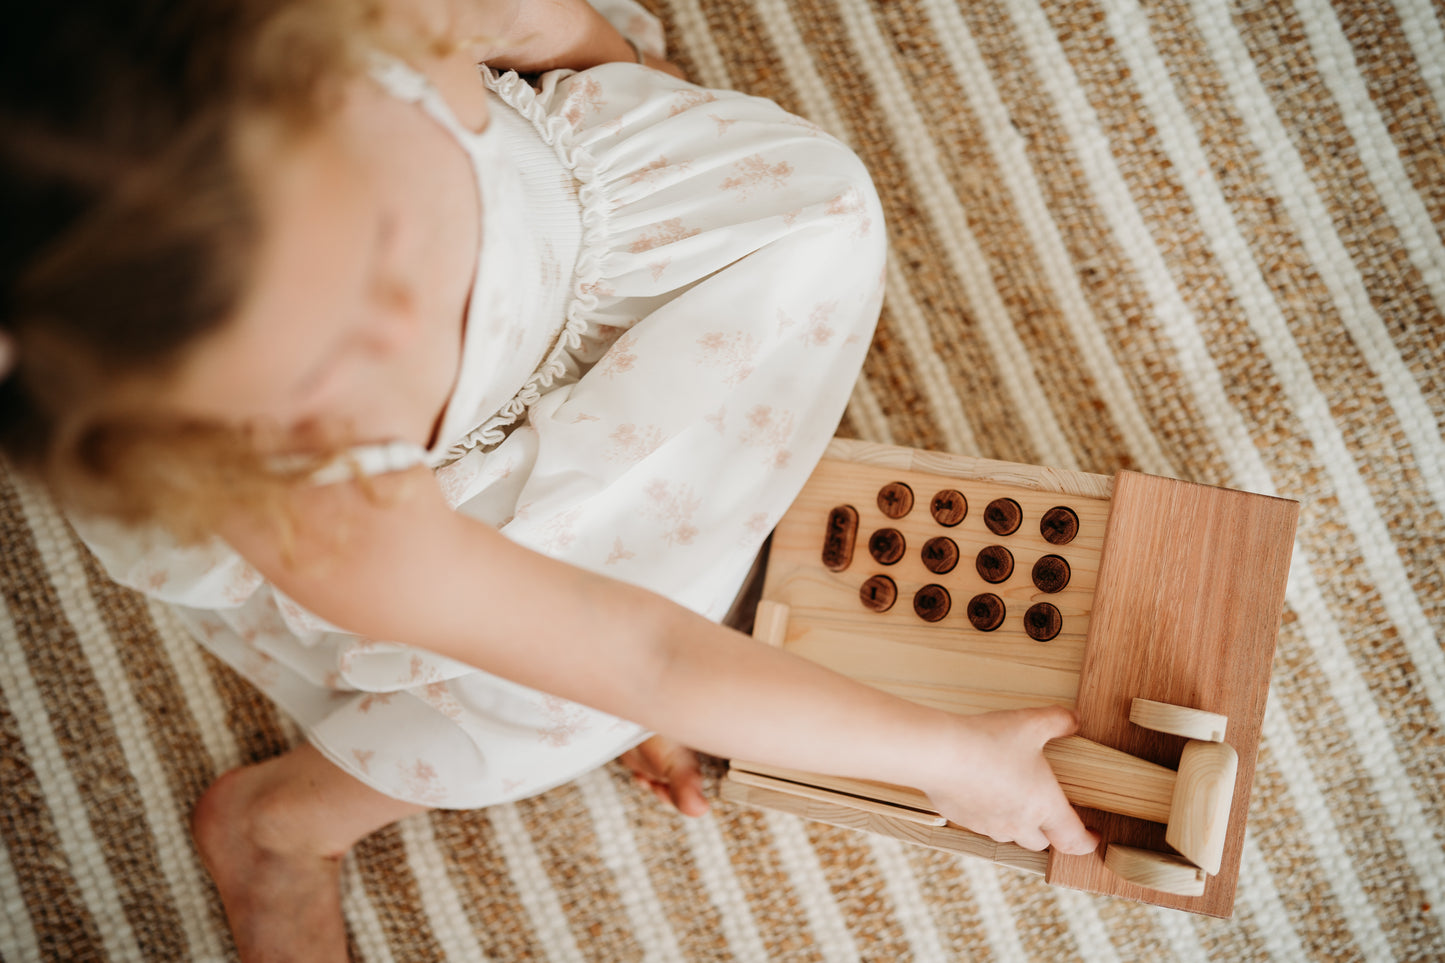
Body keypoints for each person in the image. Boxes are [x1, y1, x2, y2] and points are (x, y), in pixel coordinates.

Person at [0, 0, 1098, 958]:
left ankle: (671, 547)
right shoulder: (303, 504)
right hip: (452, 500)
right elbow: (641, 651)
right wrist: (946, 757)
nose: (400, 318)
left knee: (825, 208)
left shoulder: (366, 19)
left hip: (599, 236)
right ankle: (287, 822)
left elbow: (552, 30)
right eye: (324, 357)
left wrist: (634, 78)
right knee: (536, 710)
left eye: (376, 238)